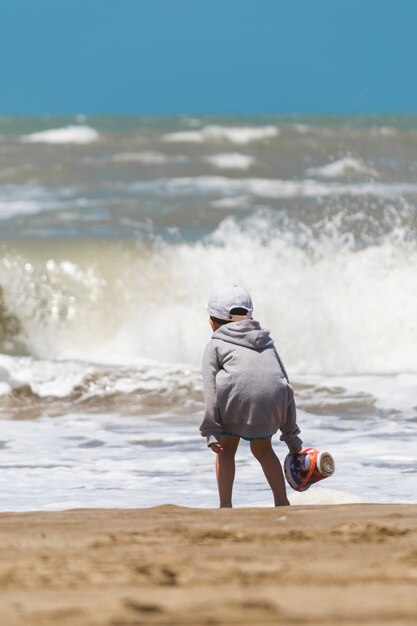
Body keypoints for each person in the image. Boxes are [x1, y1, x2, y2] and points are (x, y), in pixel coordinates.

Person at [200, 285, 302, 508]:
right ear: (250, 317)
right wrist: (291, 435)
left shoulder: (215, 344)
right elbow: (284, 383)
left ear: (212, 322)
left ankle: (225, 505)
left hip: (236, 404)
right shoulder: (266, 341)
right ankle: (281, 501)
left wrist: (211, 430)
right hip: (272, 404)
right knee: (263, 448)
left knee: (226, 449)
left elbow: (210, 390)